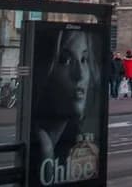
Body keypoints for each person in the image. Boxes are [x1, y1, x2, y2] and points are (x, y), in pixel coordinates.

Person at [31, 27, 99, 180]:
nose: (80, 74)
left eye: (84, 60)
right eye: (65, 60)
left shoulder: (79, 143)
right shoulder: (37, 144)